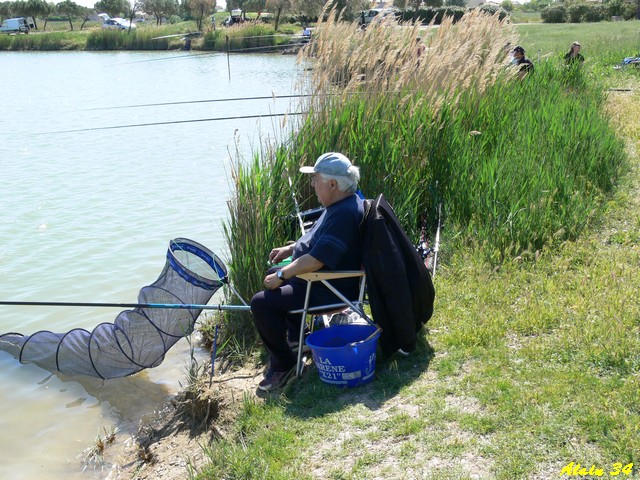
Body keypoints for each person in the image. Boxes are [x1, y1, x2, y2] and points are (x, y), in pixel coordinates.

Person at [250, 152, 364, 391]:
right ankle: (298, 336)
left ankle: (284, 365)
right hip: (318, 281)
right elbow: (317, 241)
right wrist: (291, 248)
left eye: (316, 180)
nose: (312, 185)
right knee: (274, 273)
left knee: (261, 302)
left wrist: (283, 275)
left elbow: (317, 259)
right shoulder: (340, 204)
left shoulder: (344, 214)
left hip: (330, 287)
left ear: (332, 183)